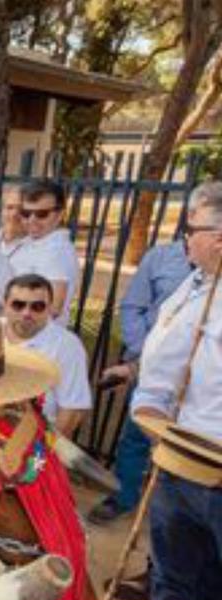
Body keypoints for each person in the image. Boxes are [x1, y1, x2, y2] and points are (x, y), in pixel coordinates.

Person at [132, 203, 222, 600]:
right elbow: (164, 359)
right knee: (170, 583)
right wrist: (149, 410)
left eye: (194, 230)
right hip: (179, 460)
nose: (184, 238)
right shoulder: (192, 286)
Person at [89, 185, 213, 525]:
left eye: (197, 222)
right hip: (148, 375)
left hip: (202, 416)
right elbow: (133, 307)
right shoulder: (162, 259)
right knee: (135, 439)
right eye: (191, 218)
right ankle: (126, 496)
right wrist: (142, 360)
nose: (189, 227)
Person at [2, 274, 91, 436]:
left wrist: (44, 448)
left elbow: (72, 410)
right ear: (4, 305)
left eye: (37, 307)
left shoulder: (67, 346)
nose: (26, 313)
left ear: (50, 308)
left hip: (37, 434)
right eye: (18, 305)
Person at [10, 179, 81, 325]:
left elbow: (53, 308)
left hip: (34, 340)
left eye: (42, 214)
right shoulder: (31, 242)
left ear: (59, 215)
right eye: (26, 213)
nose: (32, 220)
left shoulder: (57, 251)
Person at [0, 185, 27, 261]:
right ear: (2, 210)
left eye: (21, 210)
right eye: (10, 207)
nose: (14, 214)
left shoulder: (35, 248)